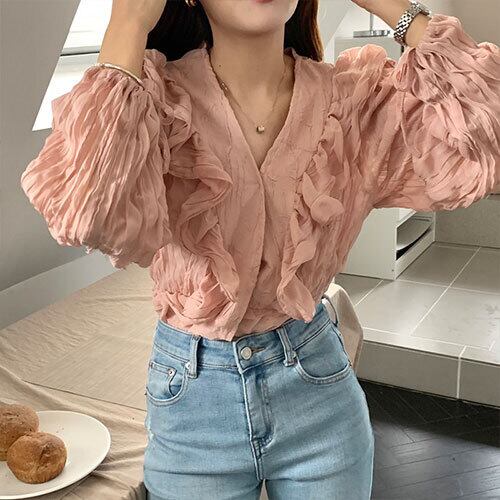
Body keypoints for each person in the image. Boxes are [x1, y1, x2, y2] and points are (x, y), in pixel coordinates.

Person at [20, 0, 499, 498]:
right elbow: (85, 212)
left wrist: (392, 6)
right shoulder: (154, 101)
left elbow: (491, 129)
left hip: (320, 393)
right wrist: (128, 21)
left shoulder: (355, 100)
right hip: (193, 406)